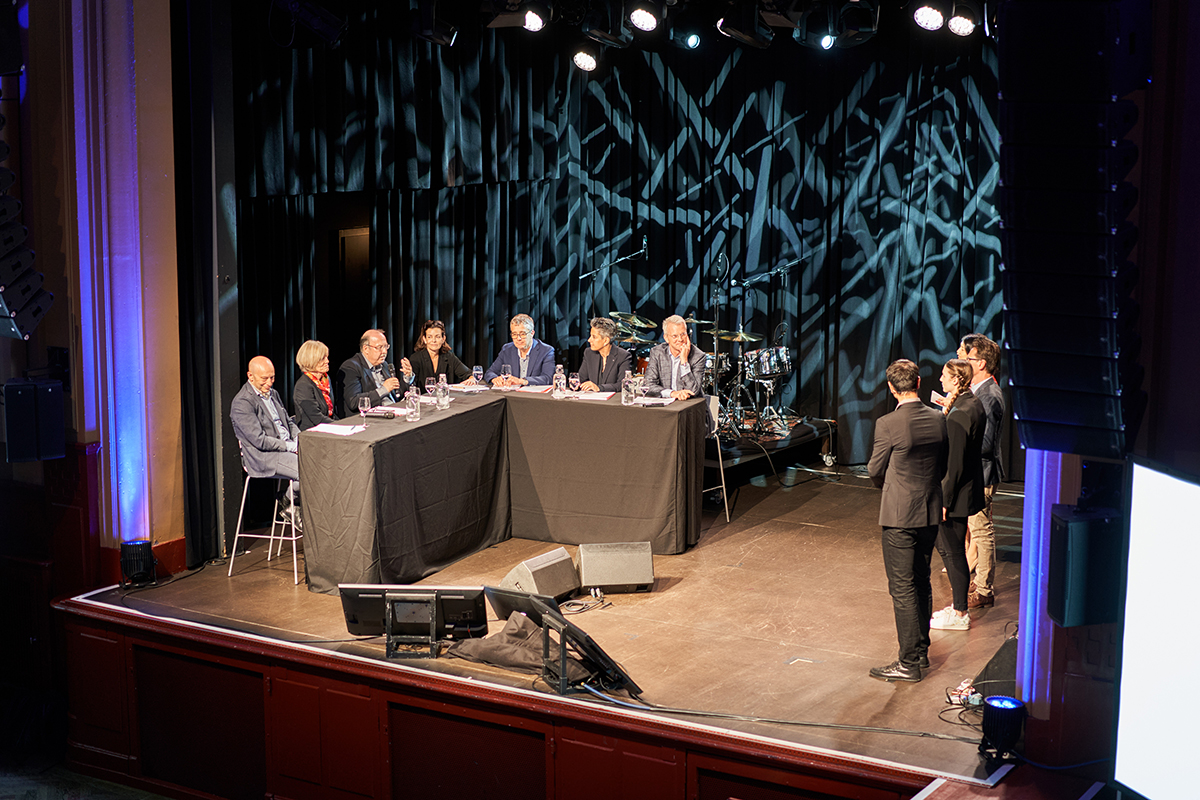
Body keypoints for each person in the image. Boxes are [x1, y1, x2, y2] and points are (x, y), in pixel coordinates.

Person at [867, 359, 948, 682]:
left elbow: (875, 469)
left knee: (902, 588)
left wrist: (890, 486)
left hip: (899, 514)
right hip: (929, 510)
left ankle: (908, 662)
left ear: (891, 388)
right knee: (921, 580)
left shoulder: (888, 423)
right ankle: (922, 652)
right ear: (917, 383)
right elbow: (942, 464)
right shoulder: (938, 418)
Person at [930, 359, 986, 631]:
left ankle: (960, 612)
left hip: (955, 495)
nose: (940, 379)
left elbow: (954, 464)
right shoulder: (970, 402)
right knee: (953, 553)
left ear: (956, 379)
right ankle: (958, 607)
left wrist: (944, 500)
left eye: (944, 376)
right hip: (964, 490)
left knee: (952, 553)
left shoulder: (962, 412)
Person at [958, 333, 1005, 610]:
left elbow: (986, 443)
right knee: (975, 529)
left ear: (983, 363)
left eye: (969, 359)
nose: (964, 362)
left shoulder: (990, 395)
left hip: (982, 473)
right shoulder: (977, 390)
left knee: (982, 531)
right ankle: (977, 578)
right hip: (974, 471)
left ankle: (985, 589)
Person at [231, 355, 301, 522]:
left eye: (272, 377)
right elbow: (259, 440)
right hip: (263, 455)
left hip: (286, 447)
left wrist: (299, 438)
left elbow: (287, 422)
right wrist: (291, 446)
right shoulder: (242, 402)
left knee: (321, 463)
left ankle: (289, 502)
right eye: (264, 378)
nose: (269, 382)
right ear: (250, 376)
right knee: (308, 470)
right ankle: (289, 501)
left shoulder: (273, 394)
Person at [336, 329, 407, 417]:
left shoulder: (384, 364)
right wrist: (384, 389)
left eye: (386, 347)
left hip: (392, 412)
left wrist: (408, 377)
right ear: (366, 349)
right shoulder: (351, 367)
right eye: (379, 347)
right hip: (369, 418)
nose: (384, 351)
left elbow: (397, 395)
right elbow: (353, 402)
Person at [643, 314, 707, 400]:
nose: (680, 339)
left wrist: (684, 361)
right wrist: (672, 393)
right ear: (666, 338)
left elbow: (693, 391)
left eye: (683, 334)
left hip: (691, 408)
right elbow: (647, 385)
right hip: (667, 406)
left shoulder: (698, 356)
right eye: (675, 336)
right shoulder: (657, 353)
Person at [484, 314, 555, 387]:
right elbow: (490, 372)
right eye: (514, 334)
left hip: (533, 396)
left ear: (532, 333)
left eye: (523, 334)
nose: (518, 338)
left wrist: (521, 381)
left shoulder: (546, 351)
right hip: (512, 394)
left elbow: (548, 378)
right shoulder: (507, 349)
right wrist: (495, 379)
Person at [400, 320, 474, 388]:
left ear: (443, 339)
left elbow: (468, 373)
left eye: (437, 337)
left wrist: (471, 379)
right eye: (430, 337)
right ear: (424, 339)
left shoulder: (449, 357)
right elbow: (410, 386)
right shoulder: (416, 358)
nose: (434, 340)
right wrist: (408, 375)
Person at [293, 340, 339, 430]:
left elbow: (331, 413)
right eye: (323, 358)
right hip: (313, 432)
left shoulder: (325, 378)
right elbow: (316, 418)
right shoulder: (303, 386)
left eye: (327, 357)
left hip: (329, 427)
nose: (327, 361)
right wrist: (341, 425)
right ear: (311, 361)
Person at [577, 317, 632, 392]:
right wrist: (576, 383)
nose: (589, 340)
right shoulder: (588, 353)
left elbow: (622, 384)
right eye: (590, 336)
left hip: (612, 402)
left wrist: (599, 388)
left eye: (594, 337)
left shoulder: (623, 356)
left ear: (606, 340)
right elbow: (581, 378)